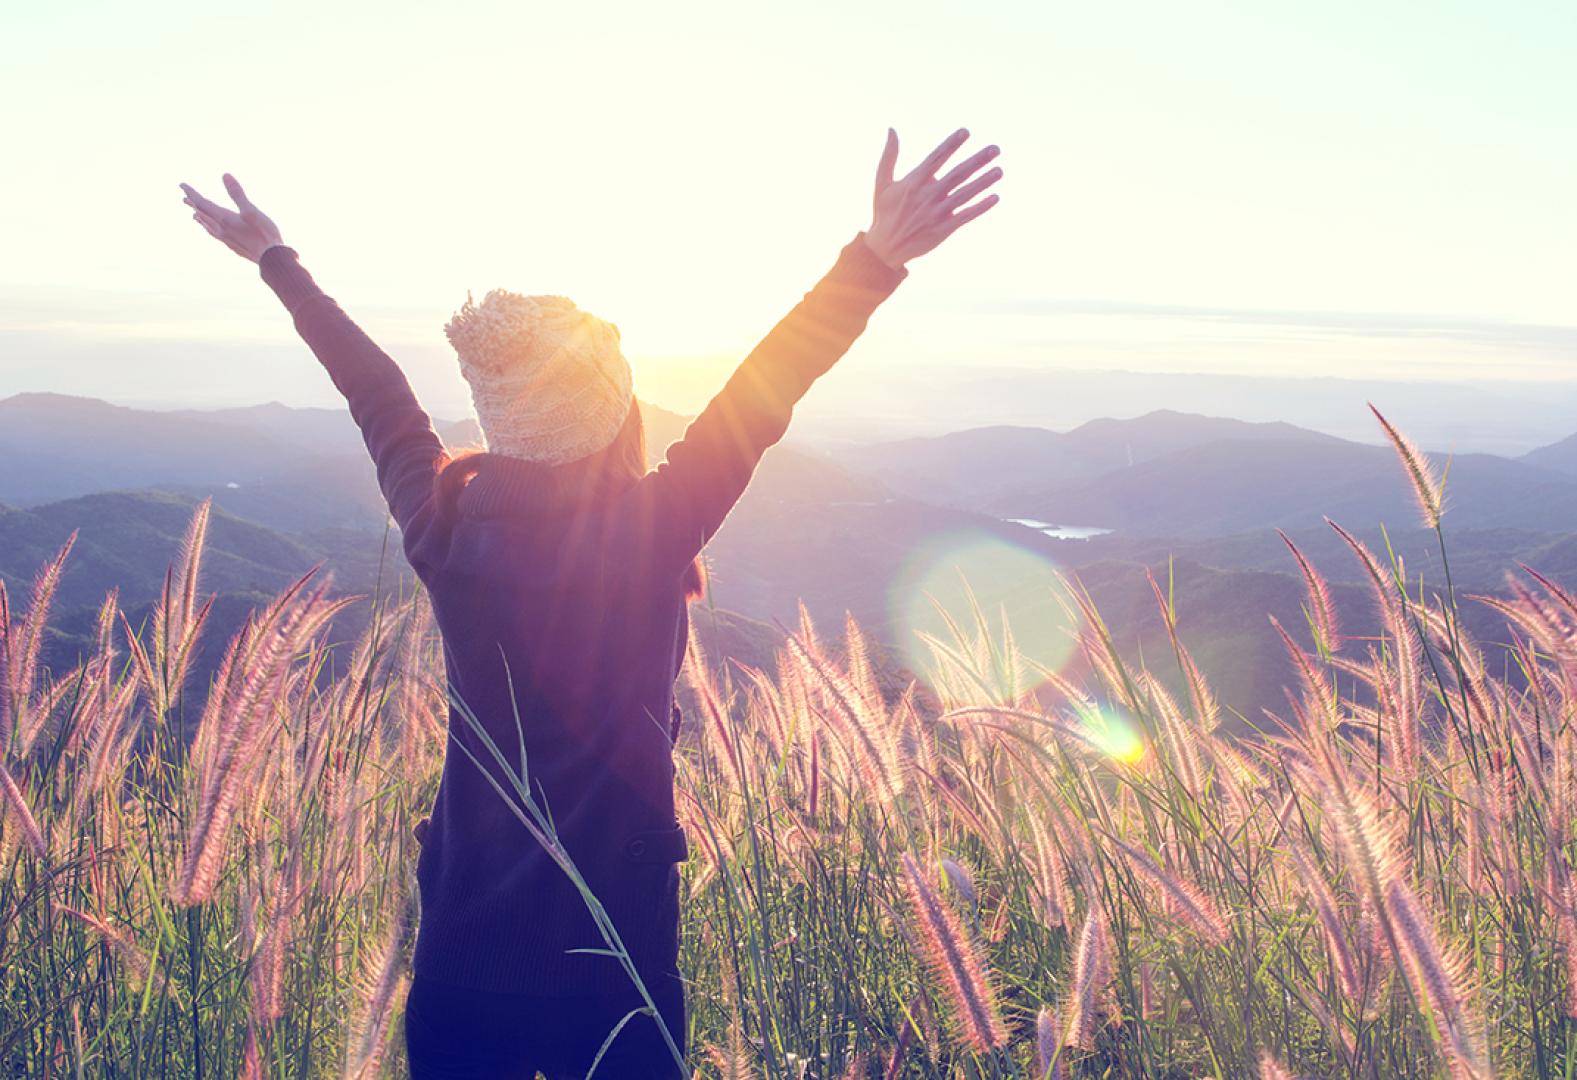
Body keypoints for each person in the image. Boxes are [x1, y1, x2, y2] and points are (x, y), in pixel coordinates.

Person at [180, 128, 1002, 1078]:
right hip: (618, 962)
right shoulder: (650, 531)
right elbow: (761, 395)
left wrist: (278, 261)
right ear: (616, 412)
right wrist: (872, 260)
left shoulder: (443, 530)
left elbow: (379, 397)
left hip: (464, 952)